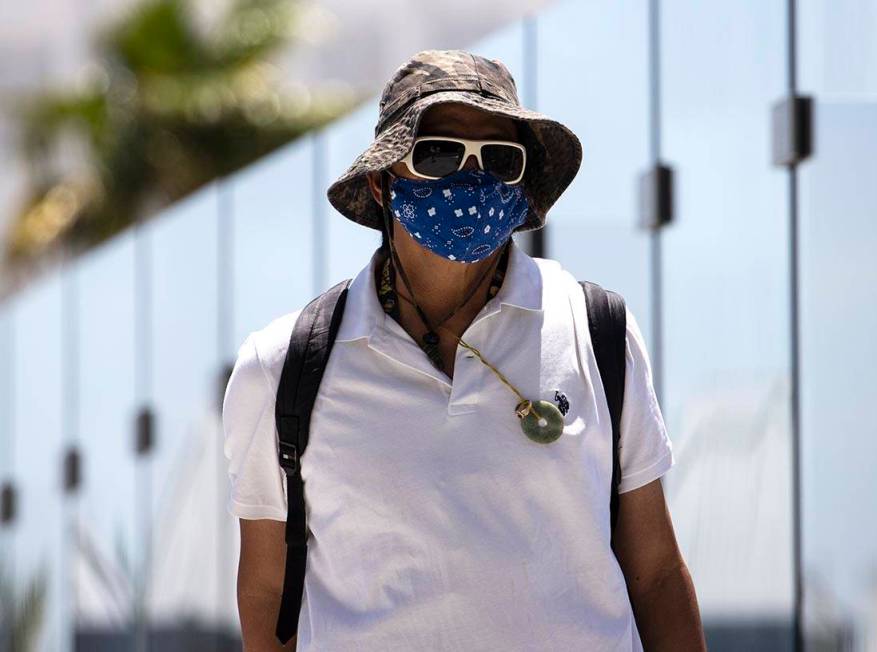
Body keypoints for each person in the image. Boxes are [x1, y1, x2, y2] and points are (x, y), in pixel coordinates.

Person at [222, 49, 706, 651]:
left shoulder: (597, 329)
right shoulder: (282, 366)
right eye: (439, 152)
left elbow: (656, 574)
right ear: (381, 180)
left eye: (500, 160)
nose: (470, 178)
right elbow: (268, 591)